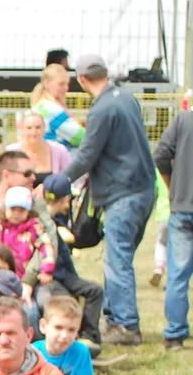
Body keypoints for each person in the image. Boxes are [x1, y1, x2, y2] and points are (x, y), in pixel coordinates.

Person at [64, 55, 154, 345]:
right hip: (143, 189)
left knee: (117, 260)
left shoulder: (102, 108)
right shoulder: (126, 98)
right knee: (122, 258)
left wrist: (58, 181)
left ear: (81, 80)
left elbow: (88, 154)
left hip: (122, 193)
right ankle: (116, 318)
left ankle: (125, 326)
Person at [39, 173, 105, 348]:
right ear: (66, 199)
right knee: (68, 301)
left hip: (62, 273)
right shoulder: (47, 222)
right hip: (53, 275)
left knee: (94, 290)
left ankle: (88, 337)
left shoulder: (55, 218)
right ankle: (77, 340)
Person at [153, 101, 193, 352]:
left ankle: (175, 334)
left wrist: (171, 186)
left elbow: (160, 155)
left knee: (177, 274)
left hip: (182, 206)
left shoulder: (183, 120)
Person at [0, 186, 54, 282]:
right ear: (5, 209)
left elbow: (46, 247)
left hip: (28, 275)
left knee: (44, 294)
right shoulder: (0, 230)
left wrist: (47, 270)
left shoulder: (34, 228)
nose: (16, 214)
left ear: (28, 211)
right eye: (12, 209)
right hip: (3, 275)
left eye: (21, 210)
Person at [16, 110, 69, 180]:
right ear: (22, 129)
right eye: (29, 128)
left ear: (44, 128)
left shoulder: (60, 151)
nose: (33, 132)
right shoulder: (11, 152)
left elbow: (70, 178)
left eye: (38, 127)